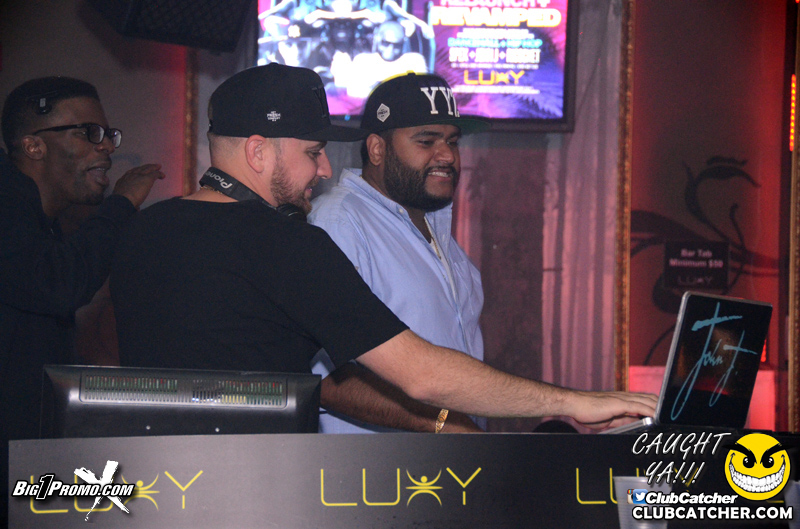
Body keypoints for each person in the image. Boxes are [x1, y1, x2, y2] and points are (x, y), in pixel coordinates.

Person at [110, 63, 656, 440]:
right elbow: (418, 374)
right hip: (264, 492)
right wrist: (574, 401)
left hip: (157, 488)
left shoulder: (144, 228)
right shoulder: (289, 242)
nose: (325, 169)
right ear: (258, 152)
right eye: (314, 152)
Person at [0, 76, 165, 521]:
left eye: (107, 134)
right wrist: (121, 204)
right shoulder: (6, 206)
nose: (106, 146)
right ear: (34, 146)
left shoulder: (40, 222)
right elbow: (58, 284)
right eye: (89, 133)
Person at [308, 72, 490, 433]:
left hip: (447, 460)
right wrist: (445, 424)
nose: (447, 155)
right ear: (377, 149)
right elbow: (323, 377)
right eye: (427, 141)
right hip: (371, 467)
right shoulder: (339, 222)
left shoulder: (437, 230)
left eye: (452, 141)